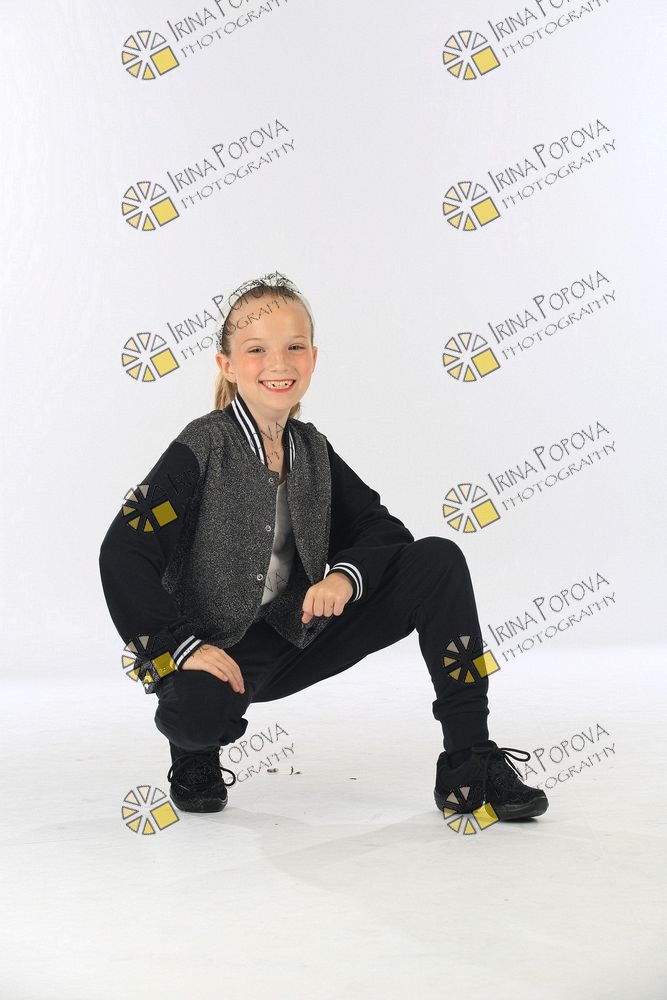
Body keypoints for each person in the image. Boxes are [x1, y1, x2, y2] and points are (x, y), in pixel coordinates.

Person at [98, 271, 548, 824]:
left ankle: (470, 760)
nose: (278, 363)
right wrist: (178, 648)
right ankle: (195, 754)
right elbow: (124, 552)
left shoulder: (311, 449)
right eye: (256, 349)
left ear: (313, 358)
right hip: (223, 651)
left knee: (438, 561)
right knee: (194, 717)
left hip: (301, 632)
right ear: (228, 365)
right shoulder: (201, 448)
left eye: (294, 347)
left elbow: (382, 529)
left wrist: (344, 575)